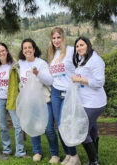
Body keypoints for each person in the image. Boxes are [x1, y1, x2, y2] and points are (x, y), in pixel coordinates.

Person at [48, 27, 81, 165]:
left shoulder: (71, 51)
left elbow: (81, 67)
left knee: (64, 125)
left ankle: (75, 156)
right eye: (54, 38)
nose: (56, 40)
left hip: (68, 93)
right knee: (59, 126)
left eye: (58, 37)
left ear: (63, 38)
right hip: (55, 93)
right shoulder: (53, 54)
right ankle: (68, 154)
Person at [0, 43, 26, 157]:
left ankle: (20, 151)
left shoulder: (14, 65)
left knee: (18, 126)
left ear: (7, 51)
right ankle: (6, 149)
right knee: (3, 126)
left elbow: (22, 79)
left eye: (3, 50)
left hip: (12, 98)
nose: (1, 53)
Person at [17, 38, 53, 162]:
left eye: (29, 47)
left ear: (34, 49)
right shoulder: (21, 63)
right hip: (29, 101)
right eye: (25, 48)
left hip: (43, 100)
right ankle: (37, 152)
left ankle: (54, 154)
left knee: (48, 129)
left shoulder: (41, 63)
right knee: (32, 126)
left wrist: (38, 73)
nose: (27, 50)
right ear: (22, 50)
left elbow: (49, 81)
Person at [72, 36, 106, 165]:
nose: (79, 48)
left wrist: (79, 79)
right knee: (91, 130)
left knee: (81, 131)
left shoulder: (95, 60)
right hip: (86, 102)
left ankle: (93, 161)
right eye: (77, 46)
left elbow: (99, 82)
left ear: (88, 45)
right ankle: (95, 159)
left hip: (94, 103)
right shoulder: (83, 59)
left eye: (82, 45)